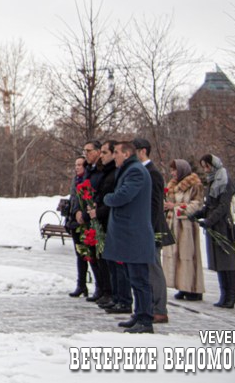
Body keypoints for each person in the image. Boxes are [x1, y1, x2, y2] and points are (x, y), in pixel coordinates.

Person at [102, 141, 156, 333]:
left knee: (140, 279)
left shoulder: (135, 171)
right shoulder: (130, 169)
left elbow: (123, 196)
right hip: (129, 235)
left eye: (116, 152)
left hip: (135, 234)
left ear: (126, 154)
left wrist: (108, 198)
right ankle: (139, 314)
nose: (113, 155)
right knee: (134, 278)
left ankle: (145, 319)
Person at [189, 154, 235, 309]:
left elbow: (223, 206)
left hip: (223, 226)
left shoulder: (224, 180)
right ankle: (224, 294)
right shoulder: (212, 181)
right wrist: (199, 214)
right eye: (204, 166)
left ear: (214, 165)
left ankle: (231, 295)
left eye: (207, 166)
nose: (205, 169)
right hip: (214, 226)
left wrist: (210, 220)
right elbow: (210, 205)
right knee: (219, 262)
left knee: (227, 261)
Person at [133, 138, 174, 324]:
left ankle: (159, 309)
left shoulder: (153, 173)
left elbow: (155, 205)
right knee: (146, 270)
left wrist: (146, 228)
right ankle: (149, 307)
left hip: (152, 229)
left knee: (154, 269)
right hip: (144, 228)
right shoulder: (141, 171)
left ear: (142, 151)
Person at [162, 159, 206, 301]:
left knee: (188, 256)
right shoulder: (173, 185)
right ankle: (182, 285)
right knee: (177, 256)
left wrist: (175, 207)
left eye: (175, 170)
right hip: (173, 224)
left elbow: (197, 205)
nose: (173, 173)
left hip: (186, 226)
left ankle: (193, 287)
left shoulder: (195, 185)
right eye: (172, 170)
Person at [77, 140, 112, 304]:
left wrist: (93, 208)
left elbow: (100, 191)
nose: (86, 154)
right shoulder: (89, 169)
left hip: (100, 215)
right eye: (84, 151)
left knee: (102, 256)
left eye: (89, 150)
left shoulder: (102, 170)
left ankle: (107, 290)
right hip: (90, 215)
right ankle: (101, 287)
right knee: (93, 255)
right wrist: (80, 210)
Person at [65, 157, 90, 297]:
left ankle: (99, 286)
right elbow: (73, 199)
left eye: (80, 165)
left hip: (85, 221)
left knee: (89, 256)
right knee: (80, 254)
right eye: (76, 165)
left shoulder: (88, 180)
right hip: (75, 220)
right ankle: (81, 284)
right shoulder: (76, 180)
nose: (77, 167)